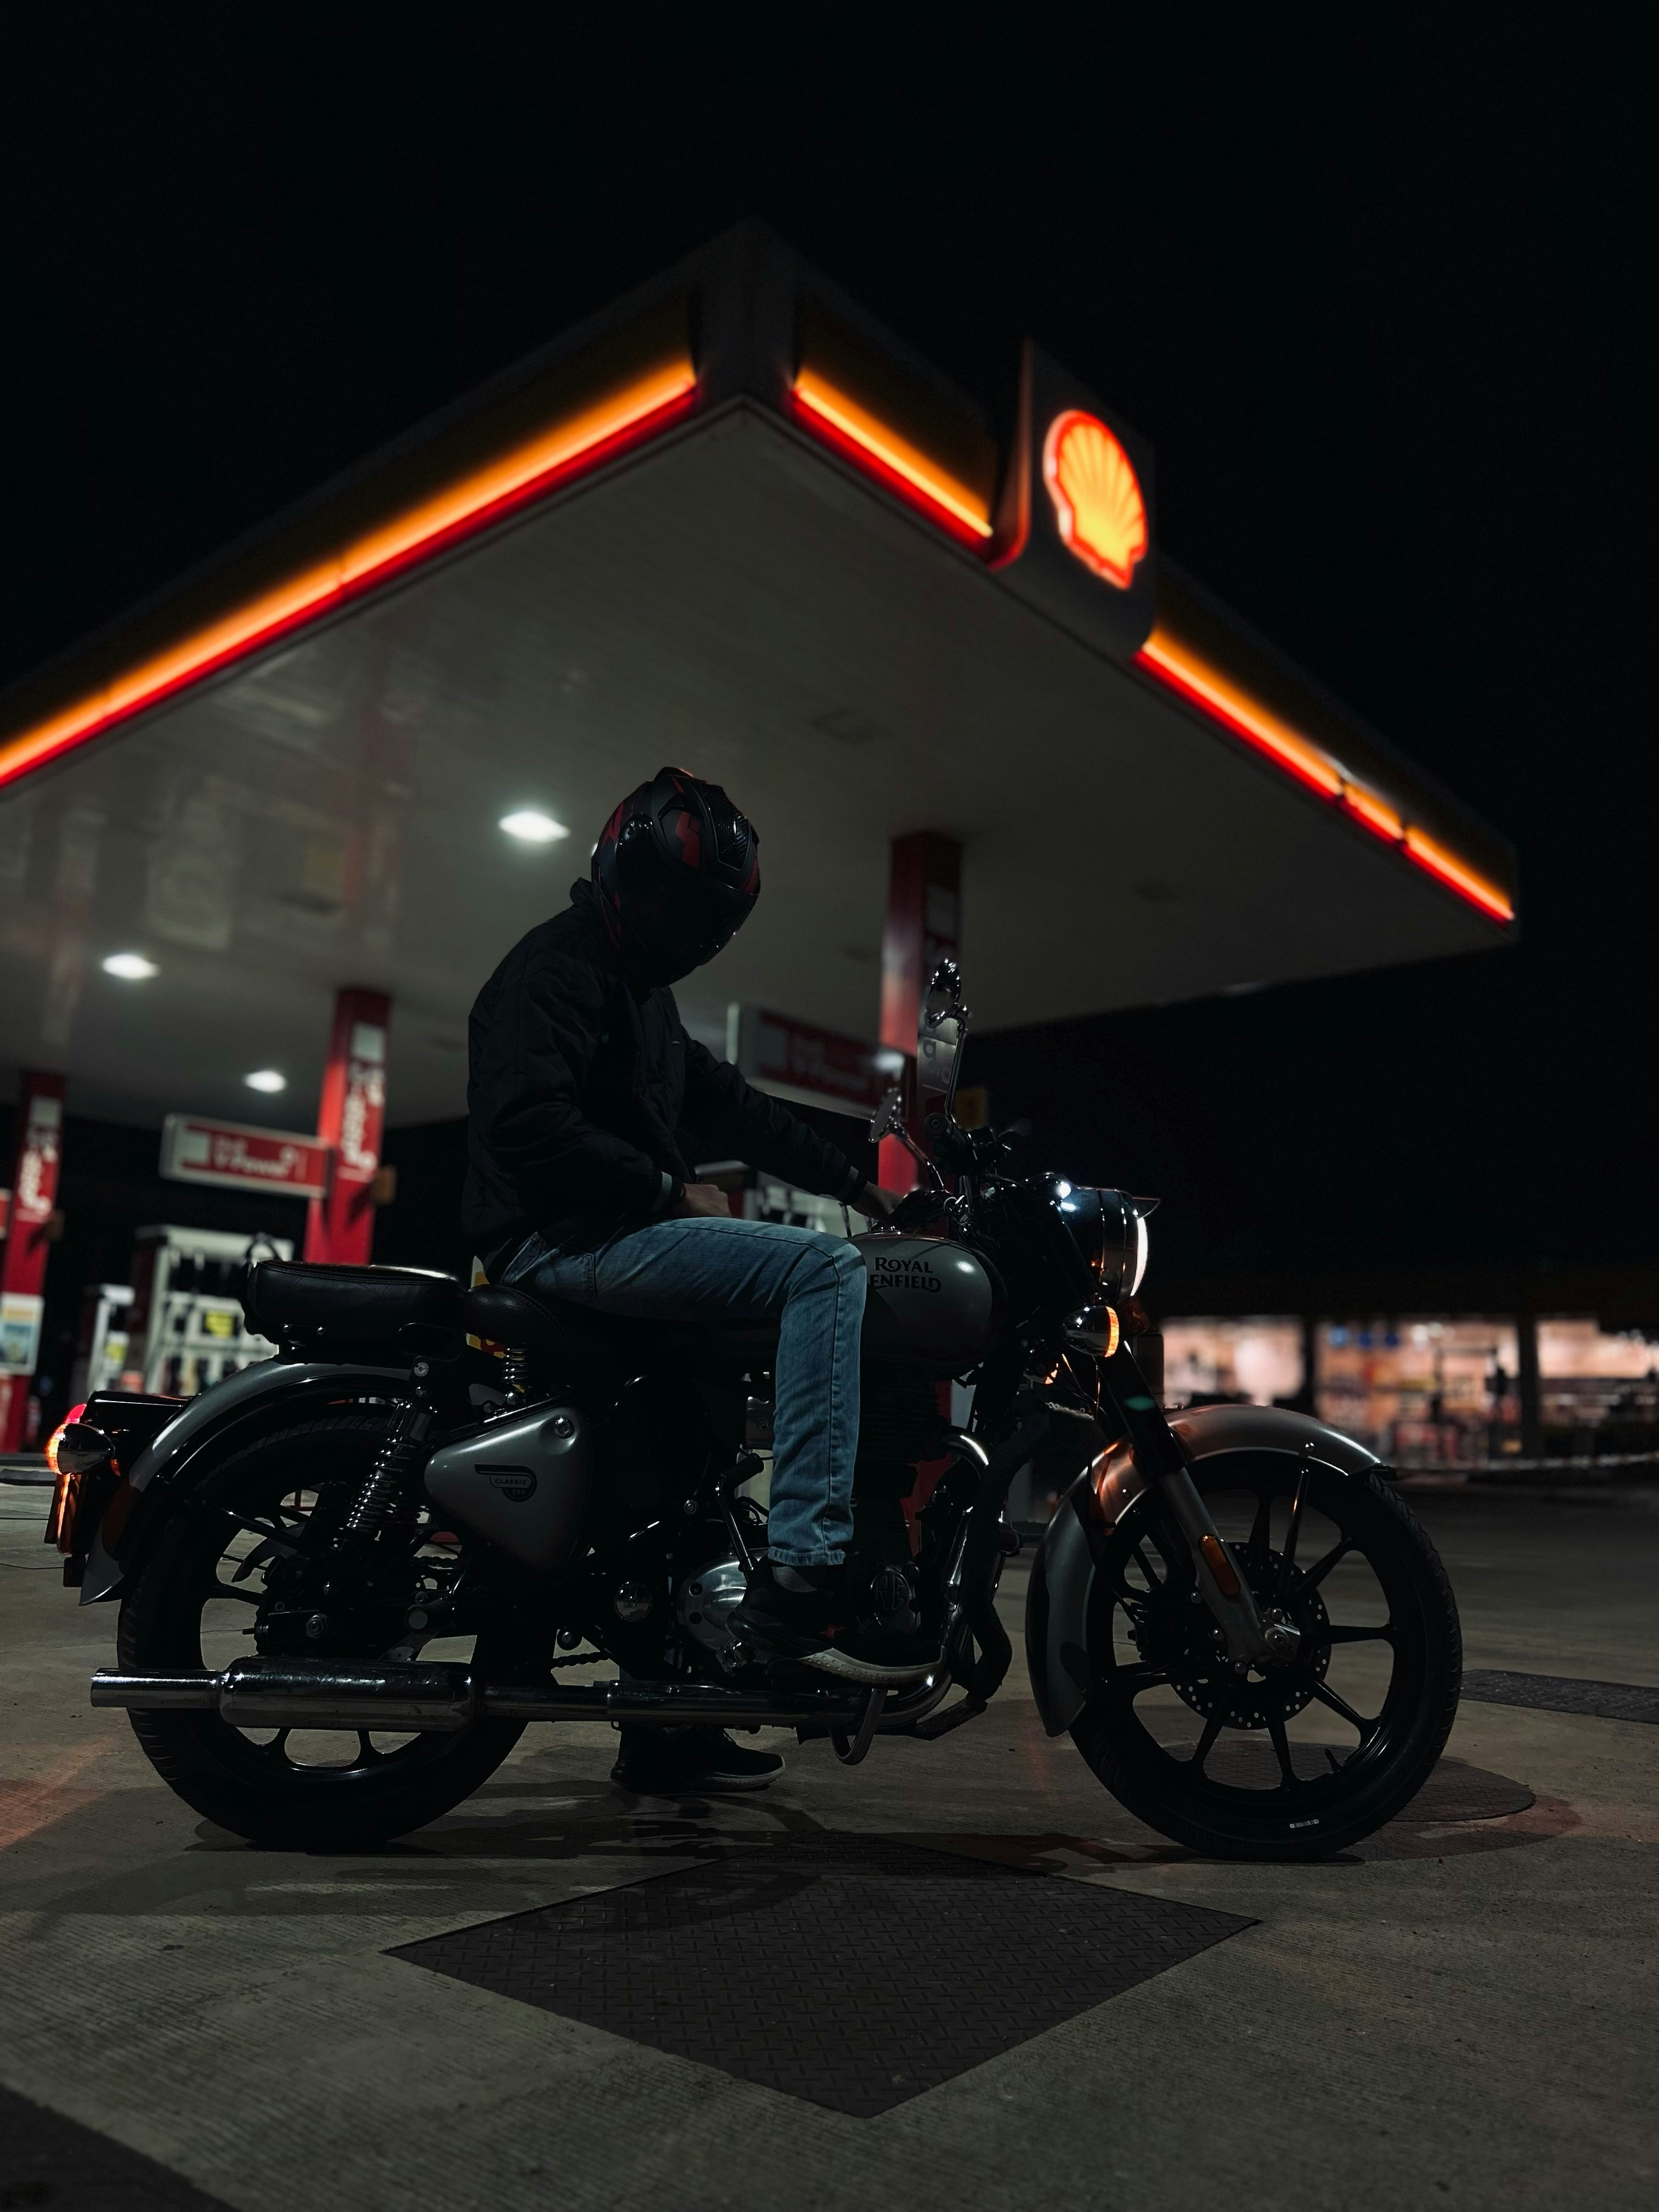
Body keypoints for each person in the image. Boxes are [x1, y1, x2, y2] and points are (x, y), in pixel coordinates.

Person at [462, 766, 924, 1798]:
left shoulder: (642, 997)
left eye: (707, 916)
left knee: (692, 1461)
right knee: (821, 1271)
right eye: (675, 902)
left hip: (600, 1233)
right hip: (562, 1241)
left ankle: (671, 1723)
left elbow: (734, 1104)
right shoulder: (561, 968)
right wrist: (666, 1191)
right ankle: (809, 1569)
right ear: (622, 872)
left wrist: (867, 1186)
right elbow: (525, 1125)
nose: (688, 927)